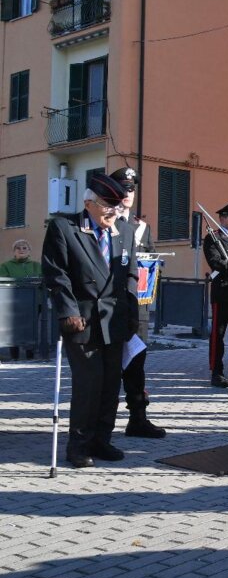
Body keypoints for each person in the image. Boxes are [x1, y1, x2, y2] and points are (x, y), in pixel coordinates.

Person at [41, 174, 138, 468]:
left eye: (116, 207)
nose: (113, 213)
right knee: (89, 384)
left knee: (111, 384)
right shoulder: (65, 227)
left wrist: (131, 312)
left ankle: (102, 439)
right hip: (83, 320)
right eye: (107, 207)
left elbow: (131, 274)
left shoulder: (125, 231)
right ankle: (79, 445)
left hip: (115, 320)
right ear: (88, 203)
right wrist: (68, 311)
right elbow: (56, 275)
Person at [111, 167, 166, 438]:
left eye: (132, 189)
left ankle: (137, 418)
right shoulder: (104, 221)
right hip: (110, 303)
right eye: (122, 188)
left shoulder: (141, 226)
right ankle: (102, 424)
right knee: (109, 365)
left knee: (136, 363)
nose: (128, 193)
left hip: (138, 304)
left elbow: (151, 259)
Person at [203, 201, 228, 388]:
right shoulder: (213, 238)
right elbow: (215, 262)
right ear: (222, 219)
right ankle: (216, 372)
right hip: (222, 292)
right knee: (218, 335)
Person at [1, 238, 43, 361]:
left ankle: (30, 356)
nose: (21, 250)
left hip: (34, 302)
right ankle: (15, 357)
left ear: (29, 251)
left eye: (25, 247)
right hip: (13, 302)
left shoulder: (36, 265)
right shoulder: (5, 266)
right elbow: (3, 282)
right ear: (13, 252)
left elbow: (42, 279)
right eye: (18, 248)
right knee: (14, 329)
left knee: (31, 328)